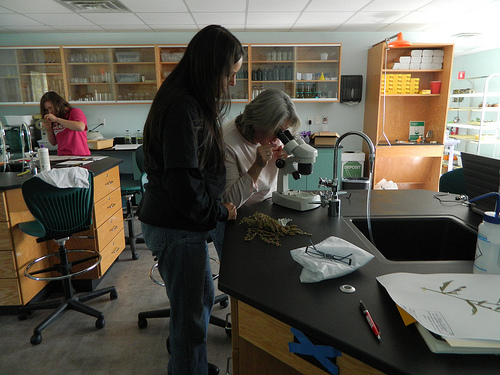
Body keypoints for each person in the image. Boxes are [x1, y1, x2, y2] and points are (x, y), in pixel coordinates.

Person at [137, 25, 243, 375]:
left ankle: (194, 366)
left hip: (181, 223)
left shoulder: (187, 99)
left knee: (199, 303)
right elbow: (183, 180)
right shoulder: (183, 106)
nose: (230, 83)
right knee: (189, 318)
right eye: (229, 74)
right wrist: (218, 212)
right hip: (176, 226)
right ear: (212, 67)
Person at [222, 89, 301, 208]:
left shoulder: (275, 135)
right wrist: (257, 166)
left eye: (283, 131)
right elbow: (230, 202)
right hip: (243, 212)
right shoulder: (226, 142)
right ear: (258, 122)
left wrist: (288, 158)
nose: (278, 138)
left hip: (272, 203)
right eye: (276, 131)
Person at [39, 91, 90, 156]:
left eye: (50, 108)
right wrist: (48, 129)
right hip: (62, 156)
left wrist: (57, 120)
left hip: (79, 155)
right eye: (47, 110)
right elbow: (53, 143)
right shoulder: (55, 117)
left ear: (57, 104)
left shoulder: (74, 112)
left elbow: (80, 127)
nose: (49, 111)